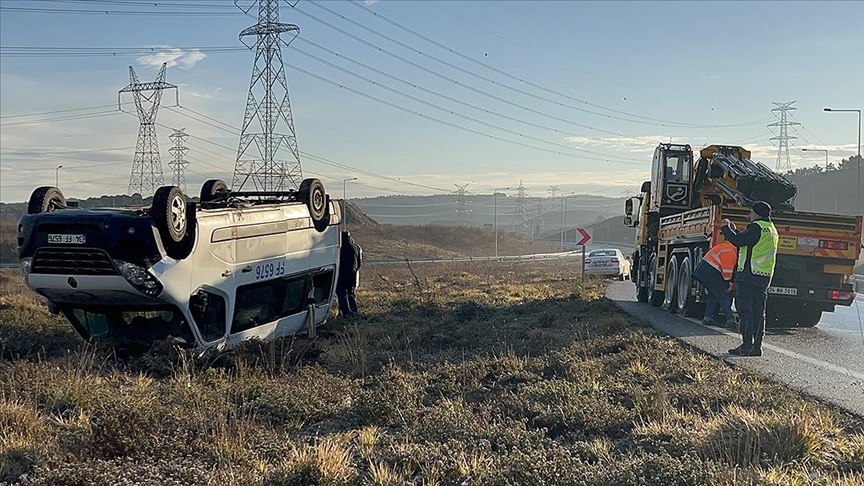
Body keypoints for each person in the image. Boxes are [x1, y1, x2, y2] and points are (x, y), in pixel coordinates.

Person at [721, 201, 779, 357]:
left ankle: (746, 346)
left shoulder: (756, 227)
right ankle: (757, 347)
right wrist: (737, 231)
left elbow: (738, 241)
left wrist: (725, 227)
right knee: (759, 313)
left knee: (745, 311)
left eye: (751, 213)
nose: (749, 215)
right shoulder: (771, 229)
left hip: (748, 276)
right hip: (763, 277)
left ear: (757, 214)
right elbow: (749, 241)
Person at [693, 241, 737, 328]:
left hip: (704, 271)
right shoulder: (731, 252)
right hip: (711, 271)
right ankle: (730, 320)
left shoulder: (727, 247)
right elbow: (727, 273)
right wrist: (729, 284)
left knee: (713, 295)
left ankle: (707, 317)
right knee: (723, 295)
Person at [336, 230, 362, 317]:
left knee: (341, 294)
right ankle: (354, 312)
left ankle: (346, 313)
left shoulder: (339, 249)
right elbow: (359, 264)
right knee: (351, 294)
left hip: (342, 275)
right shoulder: (356, 247)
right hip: (352, 275)